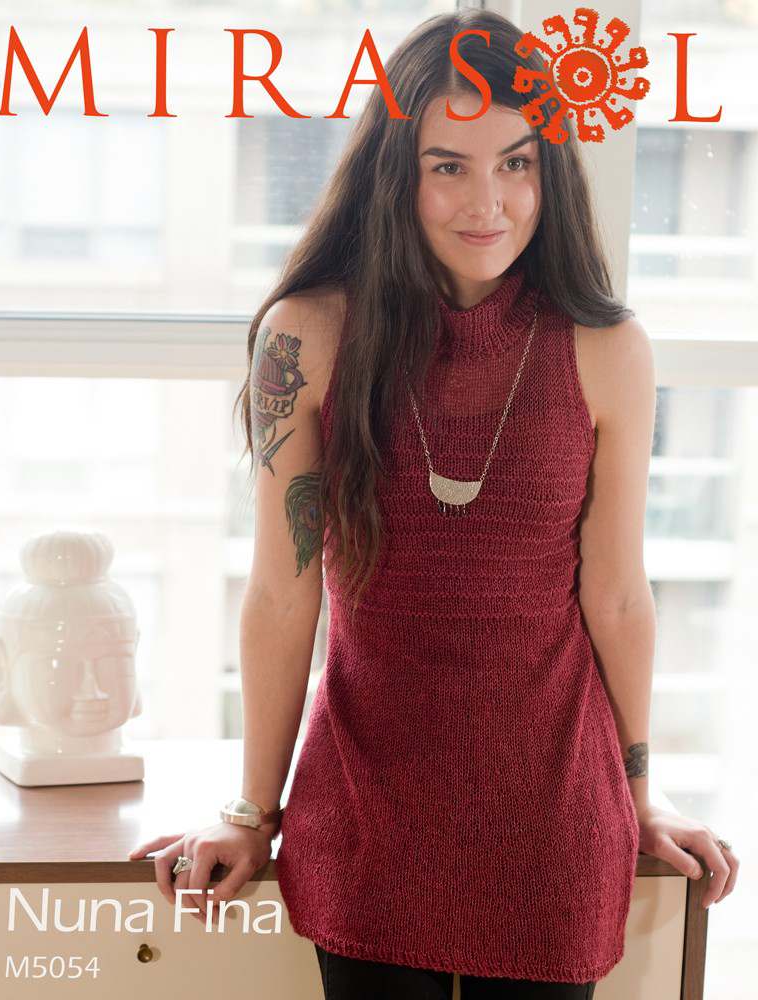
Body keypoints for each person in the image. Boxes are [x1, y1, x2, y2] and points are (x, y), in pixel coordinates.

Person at [128, 9, 739, 998]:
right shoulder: (306, 336)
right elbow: (282, 594)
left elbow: (618, 595)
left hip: (553, 827)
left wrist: (642, 790)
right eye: (448, 165)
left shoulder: (606, 348)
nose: (488, 201)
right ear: (395, 173)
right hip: (367, 821)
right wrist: (251, 810)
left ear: (550, 171)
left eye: (517, 162)